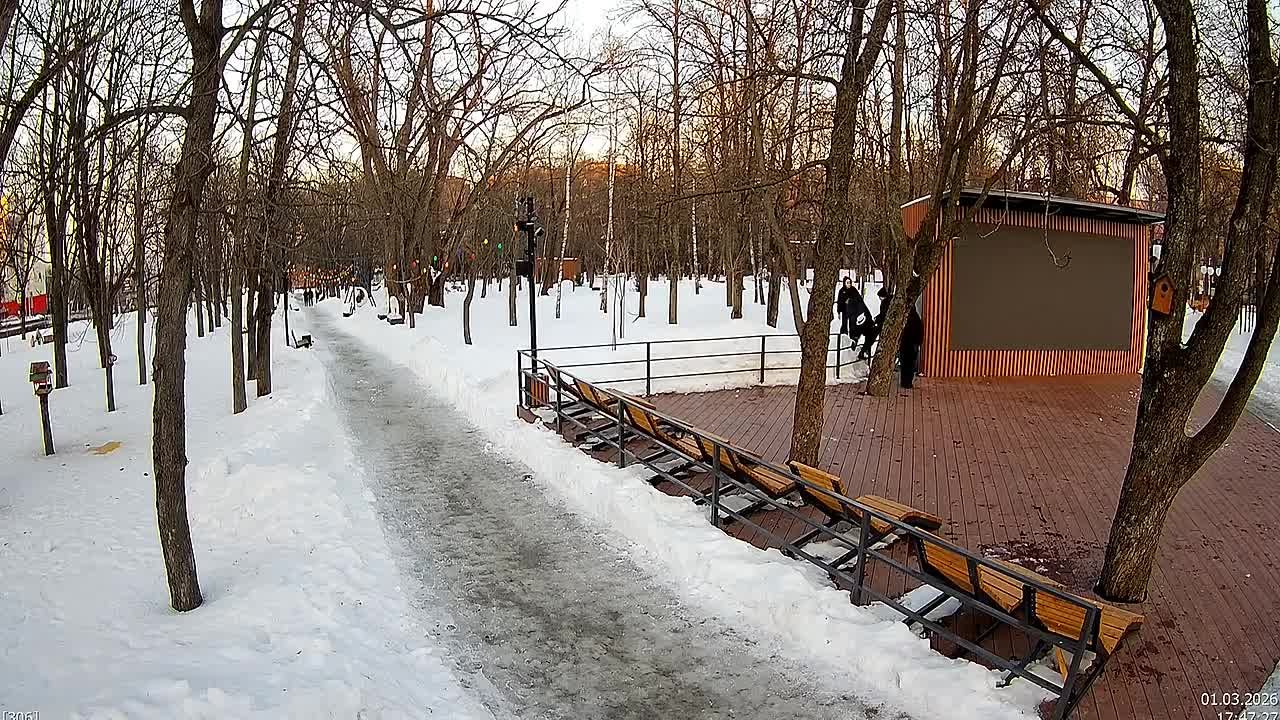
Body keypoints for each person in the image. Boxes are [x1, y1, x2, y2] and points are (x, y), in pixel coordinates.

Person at [835, 277, 871, 347]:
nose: (849, 284)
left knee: (852, 325)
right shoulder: (841, 291)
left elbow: (858, 299)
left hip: (853, 311)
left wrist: (851, 301)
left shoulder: (853, 290)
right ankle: (843, 338)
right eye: (847, 283)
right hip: (845, 311)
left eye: (850, 283)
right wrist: (839, 311)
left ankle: (853, 339)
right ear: (844, 283)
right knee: (844, 324)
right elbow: (839, 302)